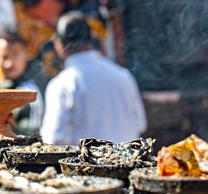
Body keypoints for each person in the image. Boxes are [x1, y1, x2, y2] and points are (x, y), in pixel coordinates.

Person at [41, 12, 146, 145]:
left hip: (85, 165)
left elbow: (53, 138)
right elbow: (140, 124)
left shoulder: (61, 85)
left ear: (60, 43)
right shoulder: (123, 76)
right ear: (91, 39)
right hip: (129, 163)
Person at [0, 32, 45, 135]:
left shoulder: (32, 89)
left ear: (27, 54)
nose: (9, 64)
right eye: (4, 57)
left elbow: (35, 133)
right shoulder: (2, 81)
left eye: (15, 55)